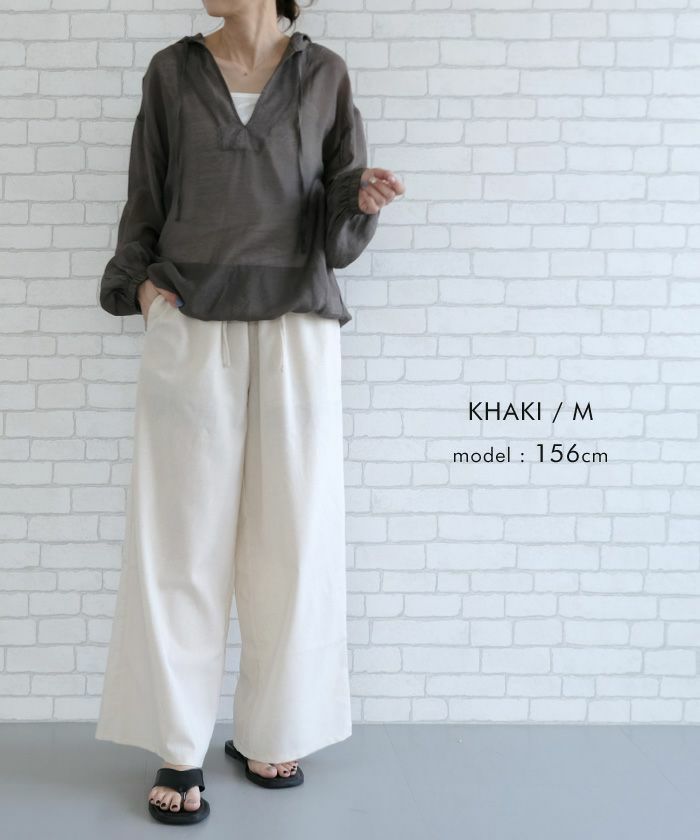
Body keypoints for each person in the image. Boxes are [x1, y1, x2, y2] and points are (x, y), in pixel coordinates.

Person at [94, 0, 405, 826]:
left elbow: (333, 233)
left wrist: (360, 203)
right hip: (191, 321)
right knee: (180, 542)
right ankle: (178, 744)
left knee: (292, 542)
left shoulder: (324, 75)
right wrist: (143, 292)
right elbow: (145, 198)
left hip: (297, 331)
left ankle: (276, 729)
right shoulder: (172, 73)